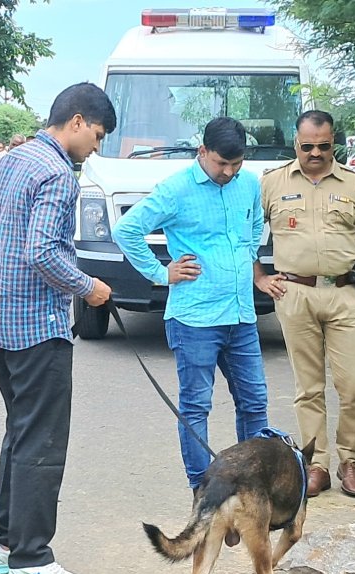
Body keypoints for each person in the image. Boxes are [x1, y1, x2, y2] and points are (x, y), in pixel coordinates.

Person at [0, 82, 116, 574]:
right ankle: (31, 559)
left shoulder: (16, 159)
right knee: (42, 441)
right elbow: (43, 252)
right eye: (98, 136)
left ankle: (2, 545)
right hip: (38, 327)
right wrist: (91, 287)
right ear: (77, 121)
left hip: (0, 322)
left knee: (20, 431)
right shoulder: (59, 173)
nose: (96, 148)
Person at [113, 117, 270, 501]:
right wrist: (160, 272)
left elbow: (254, 227)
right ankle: (204, 490)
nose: (229, 172)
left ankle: (253, 486)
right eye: (221, 164)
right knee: (196, 406)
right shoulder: (177, 189)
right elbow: (126, 230)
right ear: (202, 152)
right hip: (195, 318)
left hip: (241, 315)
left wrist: (247, 260)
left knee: (254, 401)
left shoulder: (248, 183)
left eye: (237, 164)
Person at [255, 110, 355, 498]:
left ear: (335, 144)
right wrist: (260, 277)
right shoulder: (272, 183)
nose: (316, 153)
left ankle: (350, 461)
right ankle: (317, 465)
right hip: (294, 293)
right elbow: (247, 233)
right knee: (308, 388)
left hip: (344, 293)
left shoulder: (353, 184)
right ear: (295, 144)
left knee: (354, 385)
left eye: (324, 146)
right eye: (308, 146)